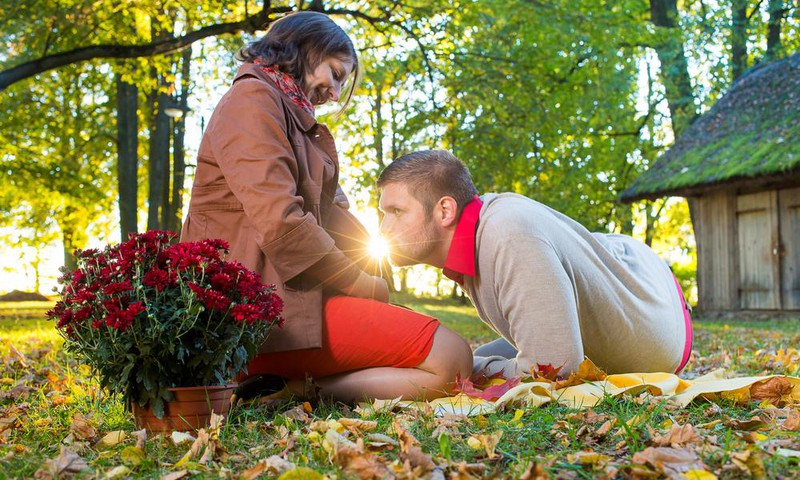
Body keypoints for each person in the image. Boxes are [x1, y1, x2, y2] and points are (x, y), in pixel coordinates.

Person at [180, 13, 471, 402]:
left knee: (440, 346)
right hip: (259, 313)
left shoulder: (288, 114)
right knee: (452, 359)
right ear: (305, 49)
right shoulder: (252, 102)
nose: (334, 93)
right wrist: (361, 285)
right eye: (335, 74)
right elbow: (283, 223)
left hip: (292, 297)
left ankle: (287, 389)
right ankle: (292, 391)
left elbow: (335, 218)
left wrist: (390, 265)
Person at [376, 150, 693, 378]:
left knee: (469, 363)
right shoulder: (481, 233)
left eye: (396, 212)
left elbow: (554, 368)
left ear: (445, 210)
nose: (383, 229)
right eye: (383, 214)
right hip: (632, 300)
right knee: (476, 357)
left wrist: (463, 370)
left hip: (655, 306)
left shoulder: (508, 234)